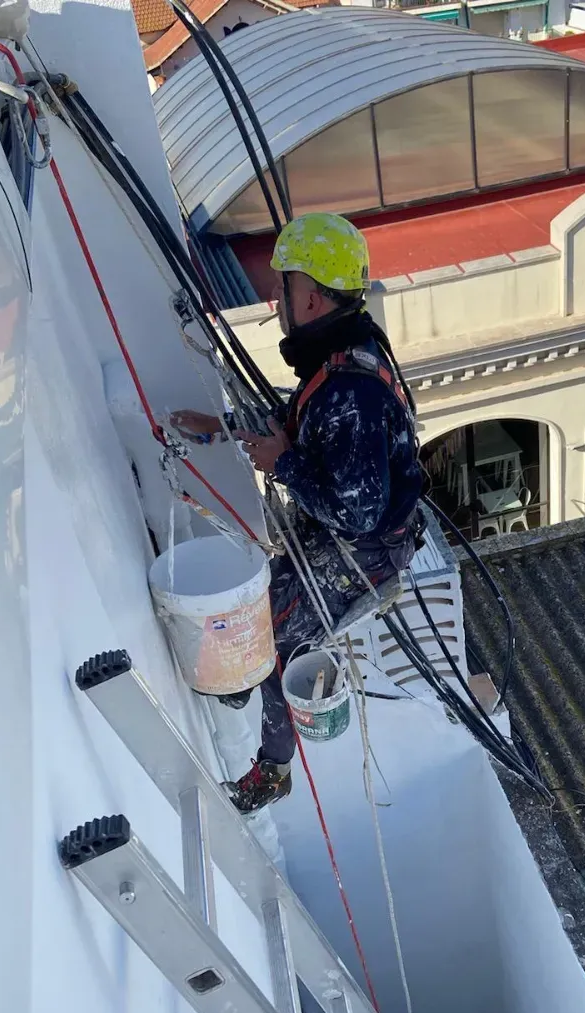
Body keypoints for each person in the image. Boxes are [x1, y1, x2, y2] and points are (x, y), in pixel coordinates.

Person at [171, 212, 422, 813]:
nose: (273, 300)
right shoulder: (342, 353)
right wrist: (226, 429)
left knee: (270, 638)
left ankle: (273, 770)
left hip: (363, 554)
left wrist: (285, 466)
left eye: (281, 287)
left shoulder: (350, 392)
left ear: (309, 296)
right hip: (344, 534)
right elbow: (308, 424)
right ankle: (247, 686)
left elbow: (357, 516)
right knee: (261, 614)